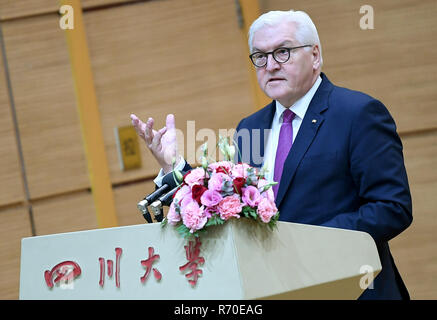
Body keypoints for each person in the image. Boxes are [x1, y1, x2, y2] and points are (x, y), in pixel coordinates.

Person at [131, 9, 412, 300]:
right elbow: (230, 204)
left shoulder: (357, 114)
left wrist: (307, 243)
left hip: (352, 289)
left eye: (283, 52)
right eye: (260, 56)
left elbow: (392, 207)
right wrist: (171, 165)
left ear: (315, 55)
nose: (271, 65)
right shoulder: (250, 127)